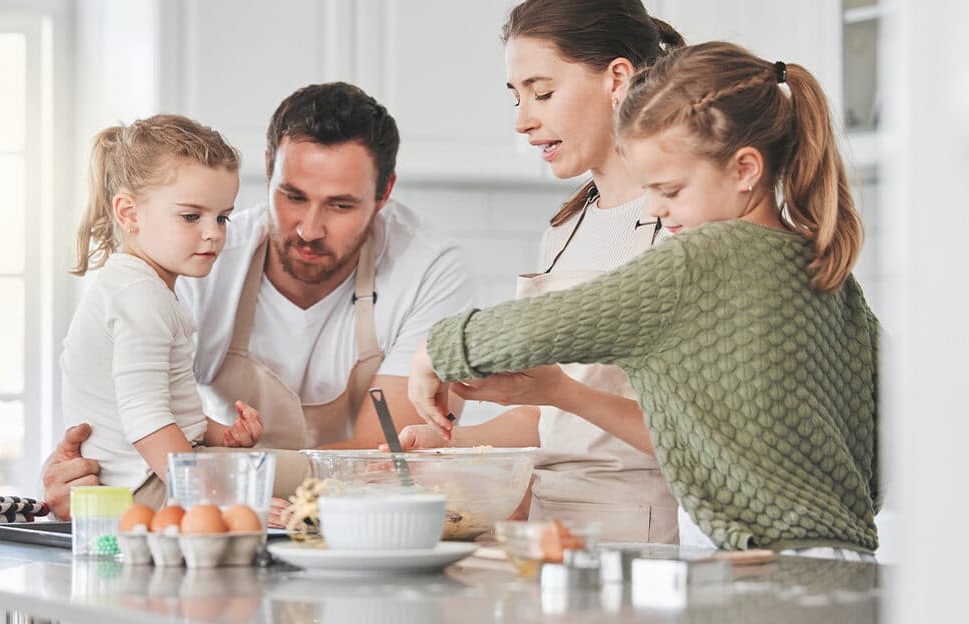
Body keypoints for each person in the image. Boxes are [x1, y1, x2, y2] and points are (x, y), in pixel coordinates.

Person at [409, 42, 881, 555]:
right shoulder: (825, 271)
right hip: (844, 557)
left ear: (745, 169)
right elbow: (874, 455)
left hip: (760, 566)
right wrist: (564, 392)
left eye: (672, 190)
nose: (656, 209)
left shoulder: (705, 254)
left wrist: (438, 350)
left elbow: (541, 326)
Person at [43, 83, 475, 520]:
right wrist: (80, 477)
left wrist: (225, 452)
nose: (309, 228)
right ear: (268, 170)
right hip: (211, 497)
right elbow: (140, 415)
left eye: (340, 205)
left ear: (384, 194)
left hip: (358, 512)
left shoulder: (428, 267)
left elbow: (384, 455)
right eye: (293, 196)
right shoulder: (196, 258)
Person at [390, 0, 683, 543]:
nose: (523, 120)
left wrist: (454, 349)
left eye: (542, 93)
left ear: (617, 78)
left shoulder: (681, 222)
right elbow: (549, 413)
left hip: (638, 534)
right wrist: (456, 446)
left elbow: (694, 438)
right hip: (549, 533)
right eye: (518, 96)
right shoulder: (565, 230)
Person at [61, 114, 264, 492]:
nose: (213, 234)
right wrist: (209, 500)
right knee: (302, 476)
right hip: (144, 485)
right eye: (191, 216)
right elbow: (145, 417)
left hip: (150, 475)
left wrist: (223, 435)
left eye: (222, 218)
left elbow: (167, 412)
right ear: (129, 213)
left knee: (281, 476)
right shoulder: (140, 296)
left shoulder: (140, 287)